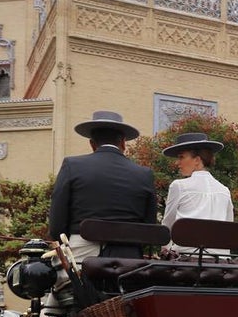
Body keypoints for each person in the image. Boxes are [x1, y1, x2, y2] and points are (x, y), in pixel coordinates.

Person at [49, 110, 157, 263]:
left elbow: (57, 223)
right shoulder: (144, 173)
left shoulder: (72, 165)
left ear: (92, 144)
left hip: (83, 253)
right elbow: (149, 225)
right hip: (129, 257)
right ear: (123, 143)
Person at [160, 132, 234, 254]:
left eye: (181, 157)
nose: (177, 163)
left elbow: (168, 224)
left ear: (197, 160)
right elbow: (228, 227)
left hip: (186, 260)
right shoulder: (224, 190)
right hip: (219, 262)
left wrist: (165, 250)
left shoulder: (179, 186)